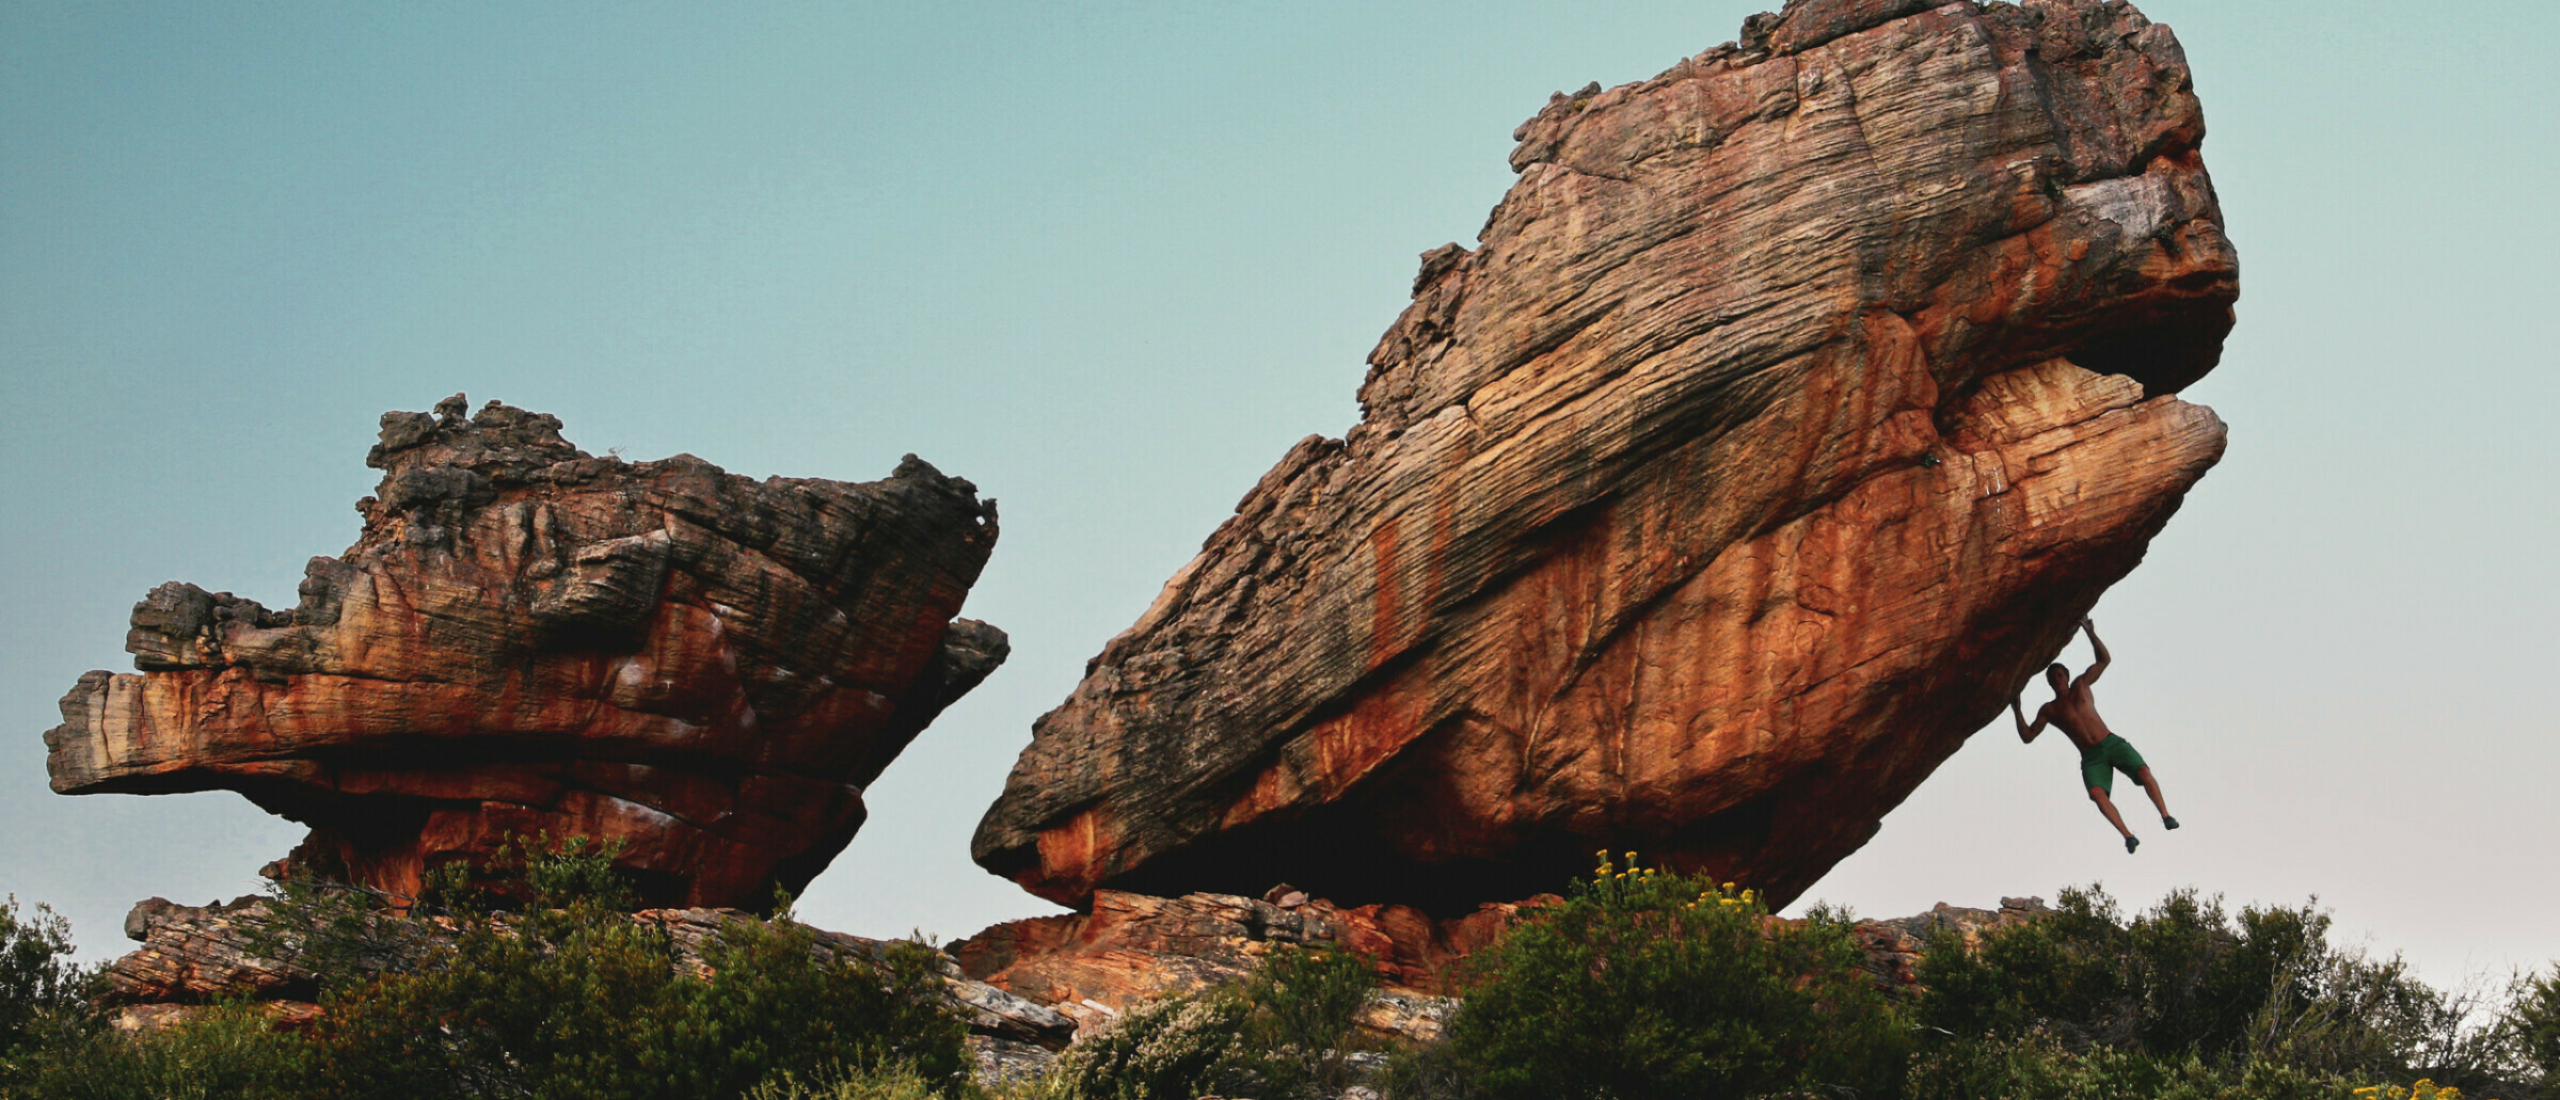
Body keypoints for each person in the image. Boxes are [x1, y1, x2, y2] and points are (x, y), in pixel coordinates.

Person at [2012, 617, 2180, 853]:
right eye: (2052, 678)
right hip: (2092, 757)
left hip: (2110, 742)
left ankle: (2165, 815)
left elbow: (2104, 660)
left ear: (2066, 677)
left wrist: (2090, 633)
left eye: (2059, 675)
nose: (2056, 679)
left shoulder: (2081, 685)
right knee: (2096, 794)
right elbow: (2028, 736)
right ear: (2049, 683)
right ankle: (2128, 836)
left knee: (2143, 772)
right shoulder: (2050, 709)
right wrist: (2017, 710)